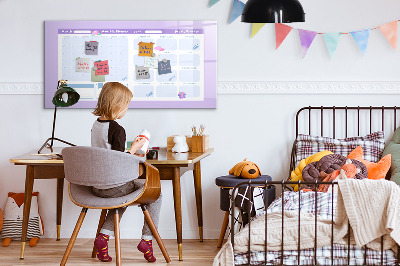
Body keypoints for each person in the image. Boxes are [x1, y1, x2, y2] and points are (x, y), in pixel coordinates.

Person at [91, 82, 161, 263]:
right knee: (156, 194)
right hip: (114, 186)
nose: (126, 109)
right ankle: (147, 240)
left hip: (97, 186)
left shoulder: (96, 125)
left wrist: (130, 149)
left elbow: (108, 154)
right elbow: (119, 161)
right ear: (117, 105)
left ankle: (103, 238)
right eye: (126, 105)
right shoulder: (117, 129)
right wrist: (136, 148)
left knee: (121, 197)